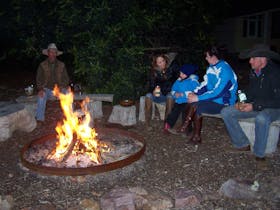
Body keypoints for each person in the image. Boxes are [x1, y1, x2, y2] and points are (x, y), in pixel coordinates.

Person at [221, 44, 280, 165]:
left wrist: (254, 106)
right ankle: (242, 144)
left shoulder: (275, 74)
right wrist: (241, 101)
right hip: (257, 105)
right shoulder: (255, 72)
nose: (250, 61)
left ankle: (259, 155)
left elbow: (277, 101)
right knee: (226, 112)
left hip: (274, 108)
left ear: (263, 59)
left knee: (262, 118)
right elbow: (251, 91)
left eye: (253, 58)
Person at [178, 45, 238, 144]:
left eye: (207, 56)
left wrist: (198, 98)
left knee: (197, 106)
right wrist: (194, 93)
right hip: (212, 99)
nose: (205, 58)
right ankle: (189, 130)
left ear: (213, 56)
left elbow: (218, 92)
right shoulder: (211, 68)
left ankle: (190, 130)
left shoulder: (225, 70)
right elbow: (205, 85)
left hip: (223, 102)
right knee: (189, 101)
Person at [35, 43, 70, 122]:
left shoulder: (62, 65)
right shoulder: (42, 65)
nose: (53, 54)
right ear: (48, 53)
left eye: (54, 52)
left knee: (68, 94)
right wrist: (40, 89)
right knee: (41, 96)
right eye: (51, 52)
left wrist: (62, 86)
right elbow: (38, 79)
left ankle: (70, 117)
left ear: (56, 54)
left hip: (60, 89)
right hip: (47, 90)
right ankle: (40, 119)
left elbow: (66, 79)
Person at [145, 53, 179, 128]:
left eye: (163, 61)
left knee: (170, 96)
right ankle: (147, 123)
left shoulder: (171, 70)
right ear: (156, 64)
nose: (162, 63)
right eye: (159, 62)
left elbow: (174, 83)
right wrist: (152, 91)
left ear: (165, 60)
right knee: (148, 95)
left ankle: (166, 124)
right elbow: (151, 86)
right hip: (158, 95)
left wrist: (164, 79)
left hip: (167, 94)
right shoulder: (153, 72)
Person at [163, 64, 200, 134]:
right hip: (179, 101)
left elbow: (196, 91)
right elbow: (173, 89)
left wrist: (184, 94)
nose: (181, 74)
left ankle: (187, 129)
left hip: (188, 101)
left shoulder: (193, 81)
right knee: (174, 112)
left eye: (183, 73)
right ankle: (168, 125)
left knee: (186, 114)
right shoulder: (179, 80)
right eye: (180, 73)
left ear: (188, 74)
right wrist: (175, 94)